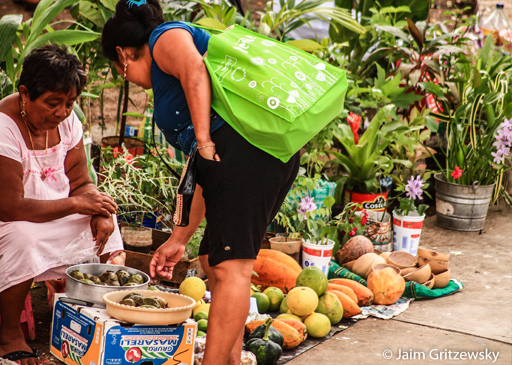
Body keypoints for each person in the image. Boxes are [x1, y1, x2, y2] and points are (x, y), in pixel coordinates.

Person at [102, 1, 300, 364]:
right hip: (242, 156)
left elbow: (195, 69)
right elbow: (203, 174)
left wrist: (205, 139)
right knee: (212, 259)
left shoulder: (164, 37)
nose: (125, 76)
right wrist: (179, 238)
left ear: (122, 54)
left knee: (231, 268)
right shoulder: (173, 86)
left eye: (118, 69)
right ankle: (229, 359)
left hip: (248, 153)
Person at [0, 45, 123, 365]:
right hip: (12, 220)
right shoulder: (4, 126)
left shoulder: (68, 123)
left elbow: (82, 181)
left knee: (111, 231)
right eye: (53, 103)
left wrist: (99, 211)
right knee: (23, 239)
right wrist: (79, 204)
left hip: (58, 211)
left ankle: (102, 322)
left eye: (69, 103)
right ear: (25, 94)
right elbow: (10, 208)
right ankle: (8, 334)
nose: (62, 112)